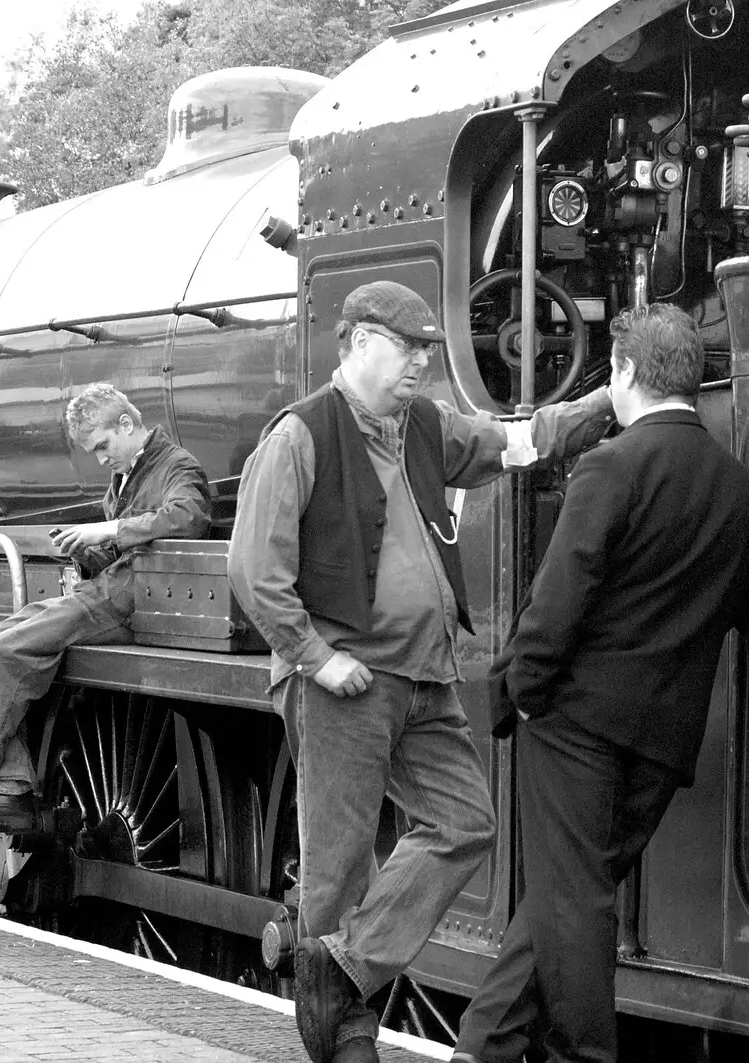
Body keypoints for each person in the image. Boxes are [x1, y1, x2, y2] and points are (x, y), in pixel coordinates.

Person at [228, 280, 615, 1063]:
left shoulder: (427, 427)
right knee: (335, 871)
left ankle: (341, 972)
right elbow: (254, 571)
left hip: (422, 677)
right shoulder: (299, 435)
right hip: (346, 679)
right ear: (358, 342)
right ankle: (342, 1037)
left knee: (466, 822)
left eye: (426, 352)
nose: (420, 364)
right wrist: (319, 658)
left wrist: (608, 403)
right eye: (407, 349)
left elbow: (518, 441)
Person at [450, 304, 749, 1063]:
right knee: (567, 896)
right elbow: (732, 607)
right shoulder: (741, 488)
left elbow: (558, 596)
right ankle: (480, 1048)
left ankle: (581, 1054)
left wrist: (523, 688)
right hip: (663, 737)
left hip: (577, 725)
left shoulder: (611, 465)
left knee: (575, 901)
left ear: (624, 373)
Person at [0, 383, 212, 841]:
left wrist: (106, 530)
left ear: (127, 424)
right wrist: (87, 550)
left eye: (103, 446)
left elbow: (189, 517)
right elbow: (122, 550)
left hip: (133, 602)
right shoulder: (126, 476)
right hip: (108, 591)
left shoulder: (176, 465)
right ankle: (8, 789)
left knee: (3, 655)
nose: (101, 459)